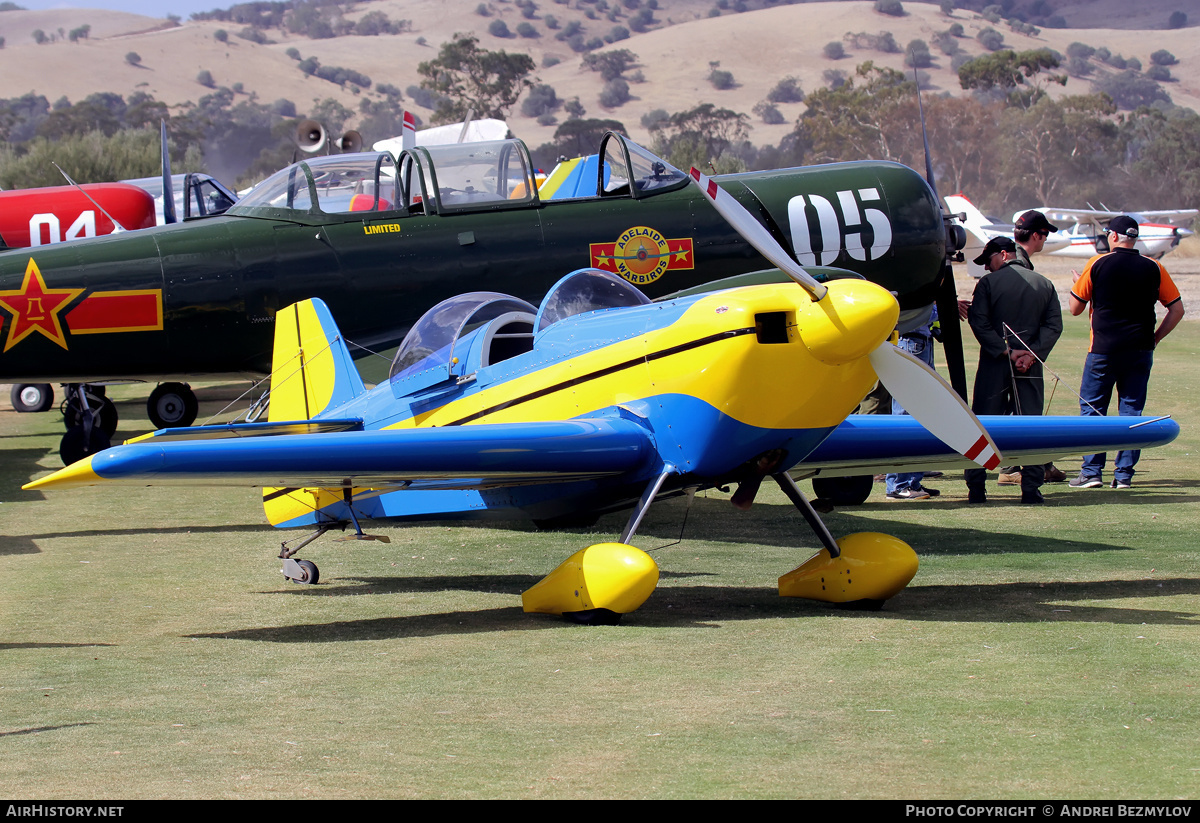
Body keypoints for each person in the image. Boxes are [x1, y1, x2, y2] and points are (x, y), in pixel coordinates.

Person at [1067, 215, 1185, 489]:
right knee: (1132, 411)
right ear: (1135, 238)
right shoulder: (1154, 266)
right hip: (1140, 350)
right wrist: (1155, 338)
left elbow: (1075, 308)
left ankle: (1092, 472)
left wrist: (1078, 283)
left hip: (1103, 350)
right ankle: (1123, 476)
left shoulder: (1097, 263)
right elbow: (1176, 309)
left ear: (1113, 236)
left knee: (1093, 410)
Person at [965, 236, 1063, 504]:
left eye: (989, 260)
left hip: (995, 365)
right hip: (1029, 367)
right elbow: (1054, 325)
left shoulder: (987, 285)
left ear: (1004, 254)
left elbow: (979, 322)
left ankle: (976, 488)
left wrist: (1006, 351)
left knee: (982, 426)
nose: (986, 267)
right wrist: (1032, 354)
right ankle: (1031, 488)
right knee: (1030, 425)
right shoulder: (1044, 283)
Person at [1008, 210, 1068, 484]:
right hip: (1021, 354)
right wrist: (1031, 354)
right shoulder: (1027, 272)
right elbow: (1052, 323)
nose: (1045, 240)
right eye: (1044, 234)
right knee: (1028, 412)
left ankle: (1023, 465)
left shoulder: (1004, 261)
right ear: (1035, 236)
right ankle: (1023, 469)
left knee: (1005, 411)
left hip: (1001, 353)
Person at [885, 306, 941, 501]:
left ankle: (912, 482)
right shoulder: (911, 289)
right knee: (906, 416)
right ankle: (900, 485)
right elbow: (918, 312)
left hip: (920, 342)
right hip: (911, 342)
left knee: (921, 416)